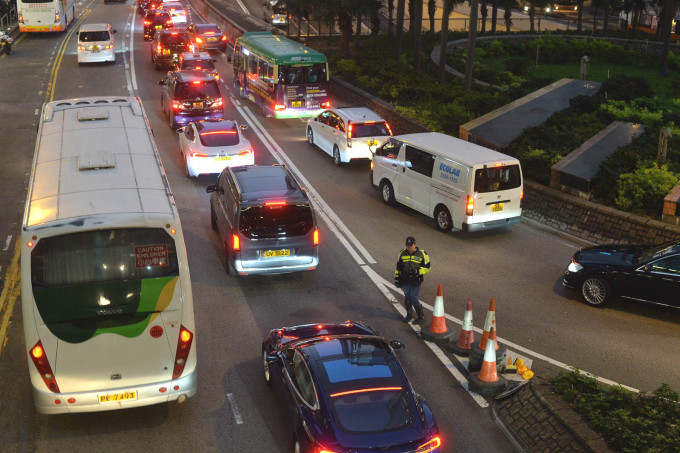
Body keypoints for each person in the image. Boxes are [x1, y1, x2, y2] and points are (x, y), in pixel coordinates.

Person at [394, 236, 431, 324]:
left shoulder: (422, 254)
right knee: (407, 297)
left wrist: (418, 271)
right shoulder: (402, 253)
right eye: (408, 246)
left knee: (413, 298)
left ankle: (421, 316)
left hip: (415, 280)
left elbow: (428, 268)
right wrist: (397, 278)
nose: (409, 248)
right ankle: (409, 315)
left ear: (415, 244)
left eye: (411, 246)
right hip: (405, 280)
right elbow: (398, 267)